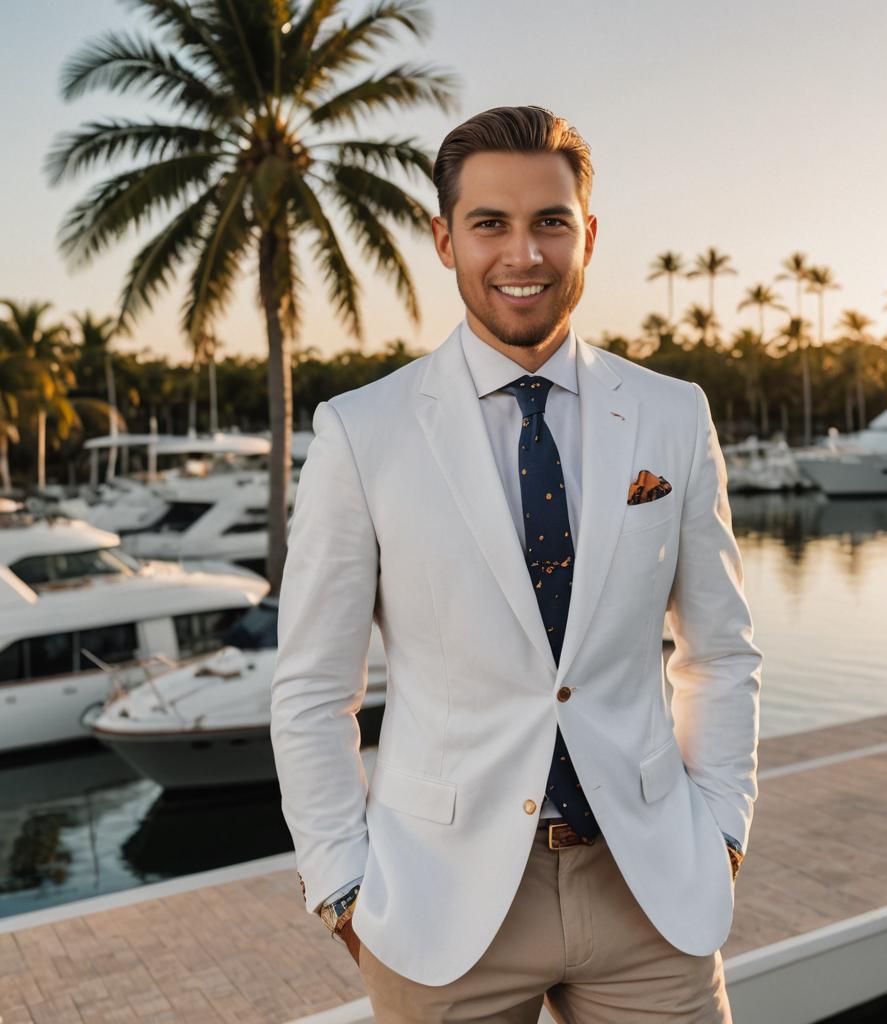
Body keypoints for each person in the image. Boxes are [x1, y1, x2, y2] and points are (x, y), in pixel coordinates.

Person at [270, 105, 762, 1023]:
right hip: (439, 908)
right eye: (489, 223)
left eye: (550, 222)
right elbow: (312, 692)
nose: (522, 254)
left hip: (649, 889)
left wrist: (723, 828)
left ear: (589, 236)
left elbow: (721, 652)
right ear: (444, 239)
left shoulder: (671, 415)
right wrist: (342, 889)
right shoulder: (361, 432)